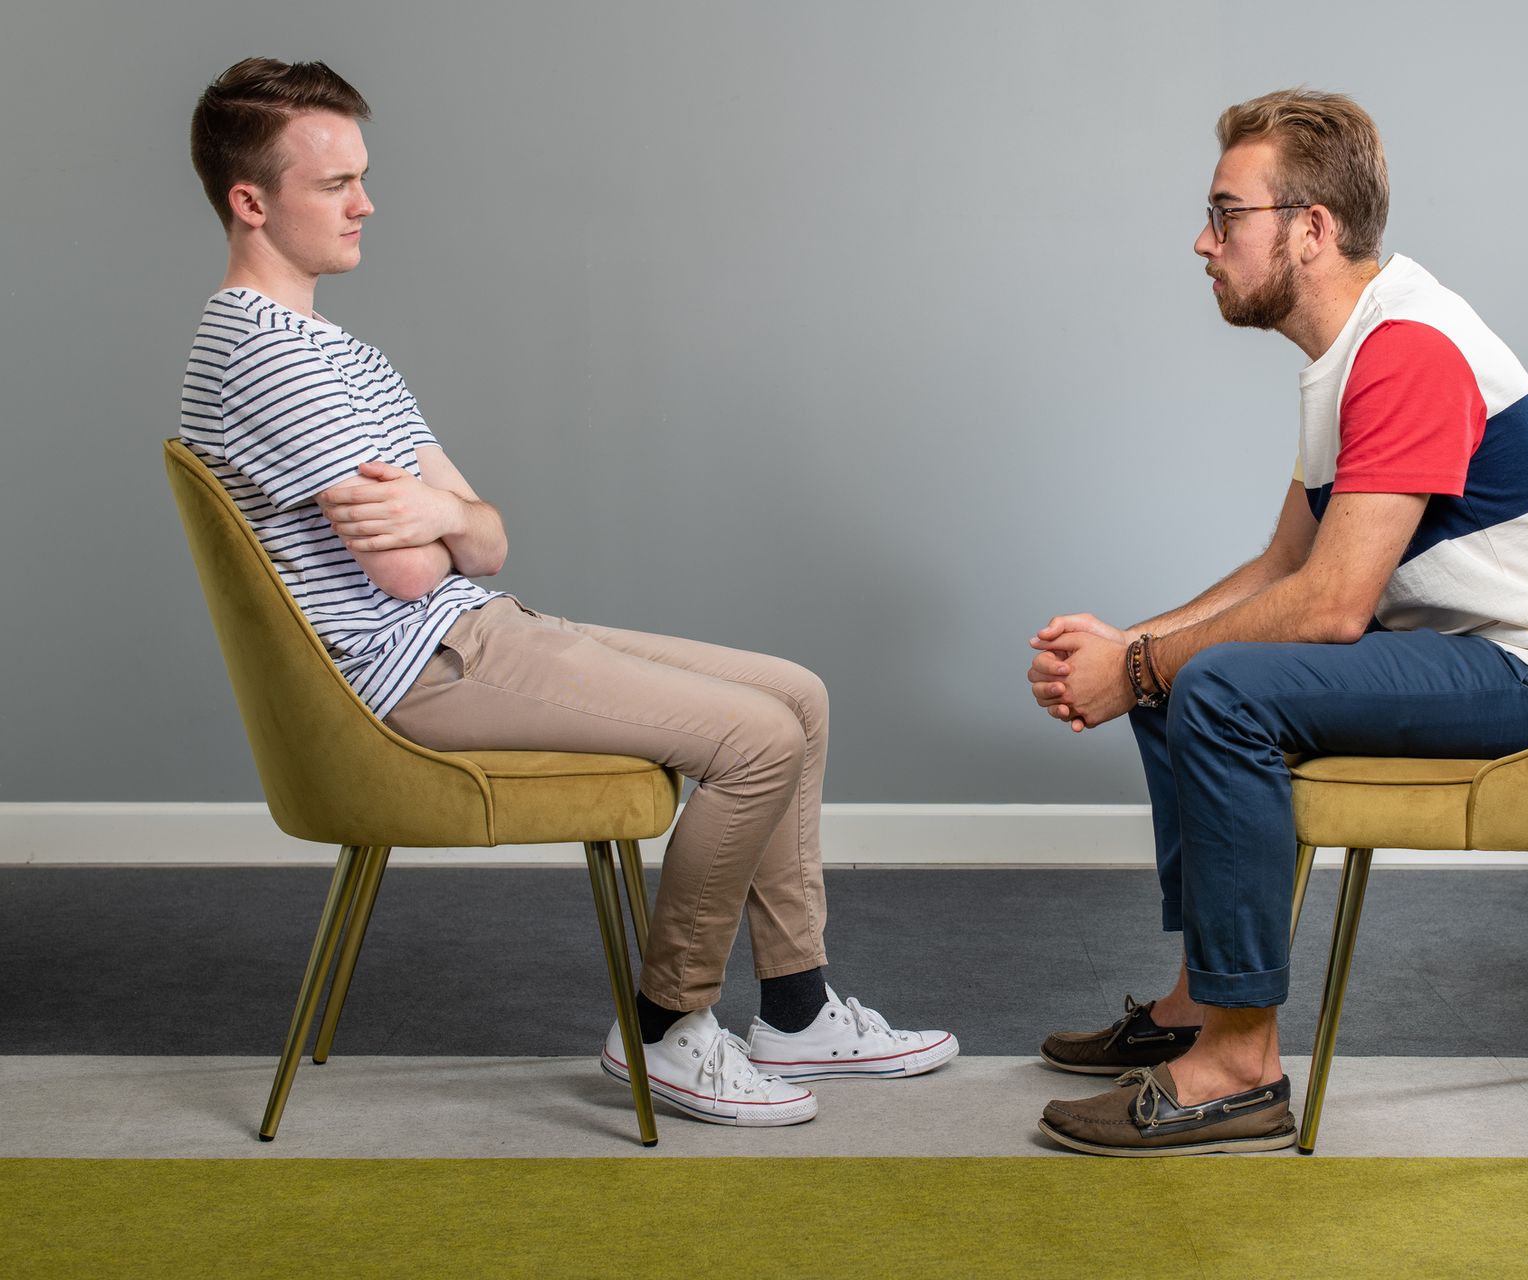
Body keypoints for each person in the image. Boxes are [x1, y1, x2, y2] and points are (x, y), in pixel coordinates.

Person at [180, 57, 954, 1130]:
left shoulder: (342, 353)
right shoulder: (265, 358)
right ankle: (665, 1025)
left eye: (364, 175)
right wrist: (449, 524)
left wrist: (447, 519)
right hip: (422, 671)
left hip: (475, 627)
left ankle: (796, 1006)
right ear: (250, 201)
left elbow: (486, 537)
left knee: (799, 695)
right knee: (759, 740)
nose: (367, 203)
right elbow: (410, 568)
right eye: (334, 184)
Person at [1025, 88, 1528, 1156]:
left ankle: (1239, 1065)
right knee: (1184, 673)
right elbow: (1283, 565)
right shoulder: (1351, 351)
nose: (1202, 241)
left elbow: (1332, 604)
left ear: (1312, 228)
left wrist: (1139, 666)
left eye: (1228, 213)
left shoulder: (1406, 347)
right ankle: (1195, 1004)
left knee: (1209, 682)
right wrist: (1130, 648)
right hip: (1469, 651)